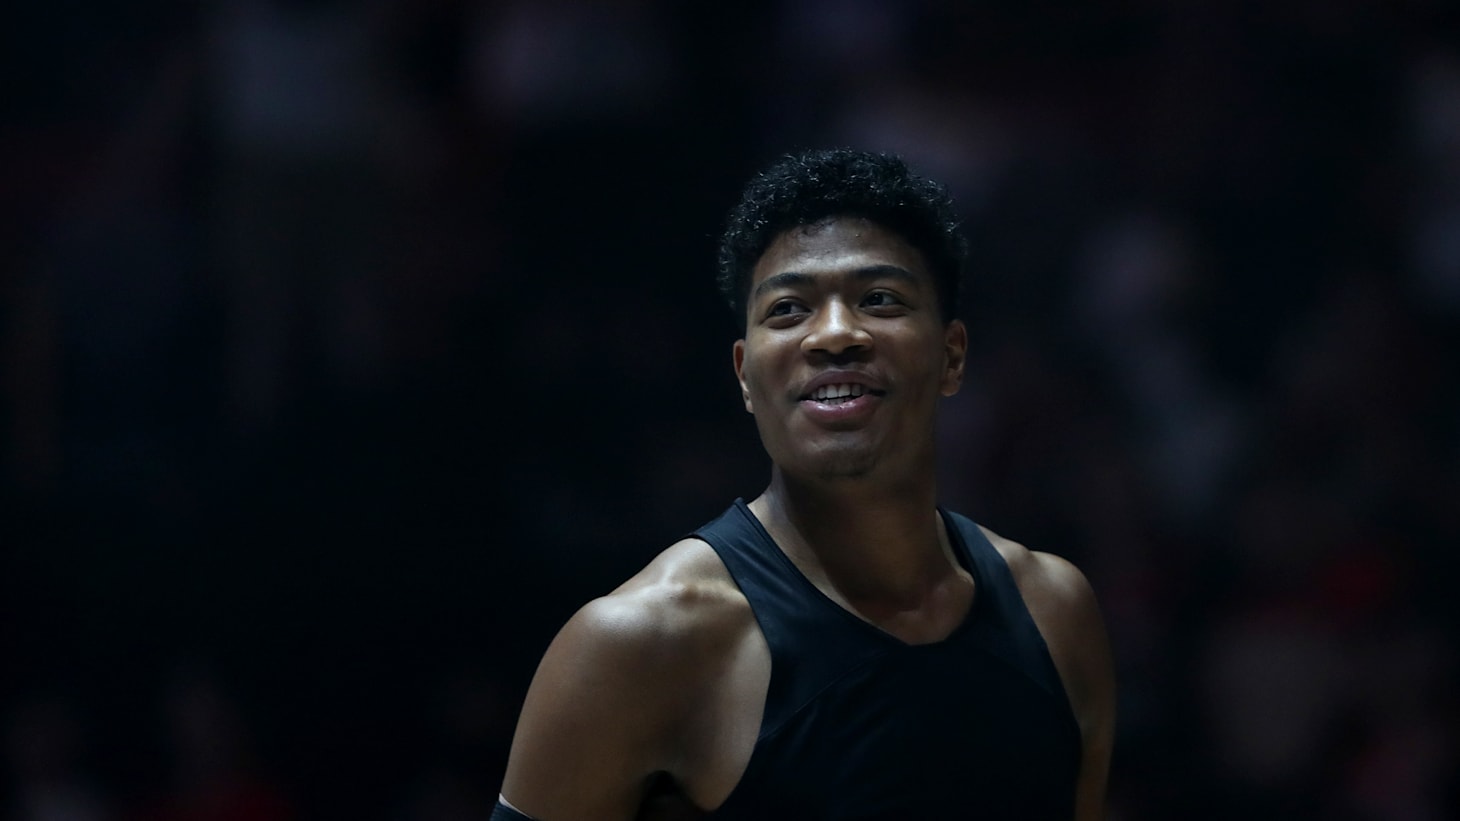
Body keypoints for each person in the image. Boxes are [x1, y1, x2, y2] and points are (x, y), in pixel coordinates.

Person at [493, 148, 1116, 820]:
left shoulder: (1056, 612)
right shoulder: (639, 642)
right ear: (743, 375)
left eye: (879, 299)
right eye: (788, 309)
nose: (835, 334)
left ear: (952, 355)